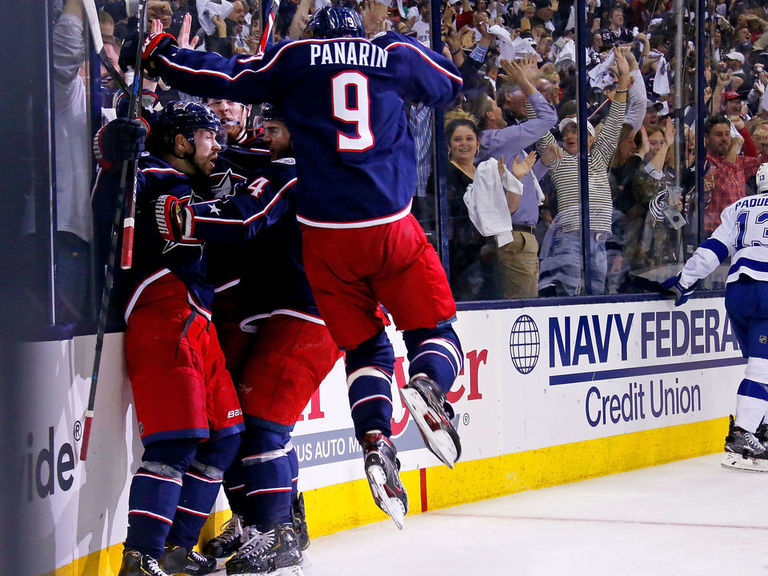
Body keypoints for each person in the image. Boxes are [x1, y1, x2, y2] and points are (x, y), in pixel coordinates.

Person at [142, 5, 465, 529]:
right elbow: (451, 83)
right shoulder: (391, 52)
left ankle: (375, 435)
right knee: (434, 329)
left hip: (327, 240)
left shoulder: (296, 58)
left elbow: (230, 75)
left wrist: (167, 59)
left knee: (364, 348)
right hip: (390, 222)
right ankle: (429, 382)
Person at [93, 102, 243, 576]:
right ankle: (140, 557)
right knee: (175, 443)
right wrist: (113, 155)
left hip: (199, 317)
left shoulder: (198, 181)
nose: (217, 145)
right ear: (181, 143)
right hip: (160, 311)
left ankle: (178, 548)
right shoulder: (149, 174)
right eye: (208, 136)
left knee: (225, 437)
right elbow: (106, 210)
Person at [660, 163, 768, 472]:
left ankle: (761, 430)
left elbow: (714, 249)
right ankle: (744, 436)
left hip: (738, 290)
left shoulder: (740, 207)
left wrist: (685, 280)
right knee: (762, 368)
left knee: (761, 366)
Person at [536, 46, 630, 296]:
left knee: (597, 293)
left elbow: (616, 119)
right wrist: (530, 86)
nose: (568, 135)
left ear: (590, 139)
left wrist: (623, 80)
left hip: (599, 241)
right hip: (569, 238)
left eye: (576, 132)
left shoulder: (598, 158)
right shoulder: (557, 159)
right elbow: (536, 125)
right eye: (565, 132)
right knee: (571, 294)